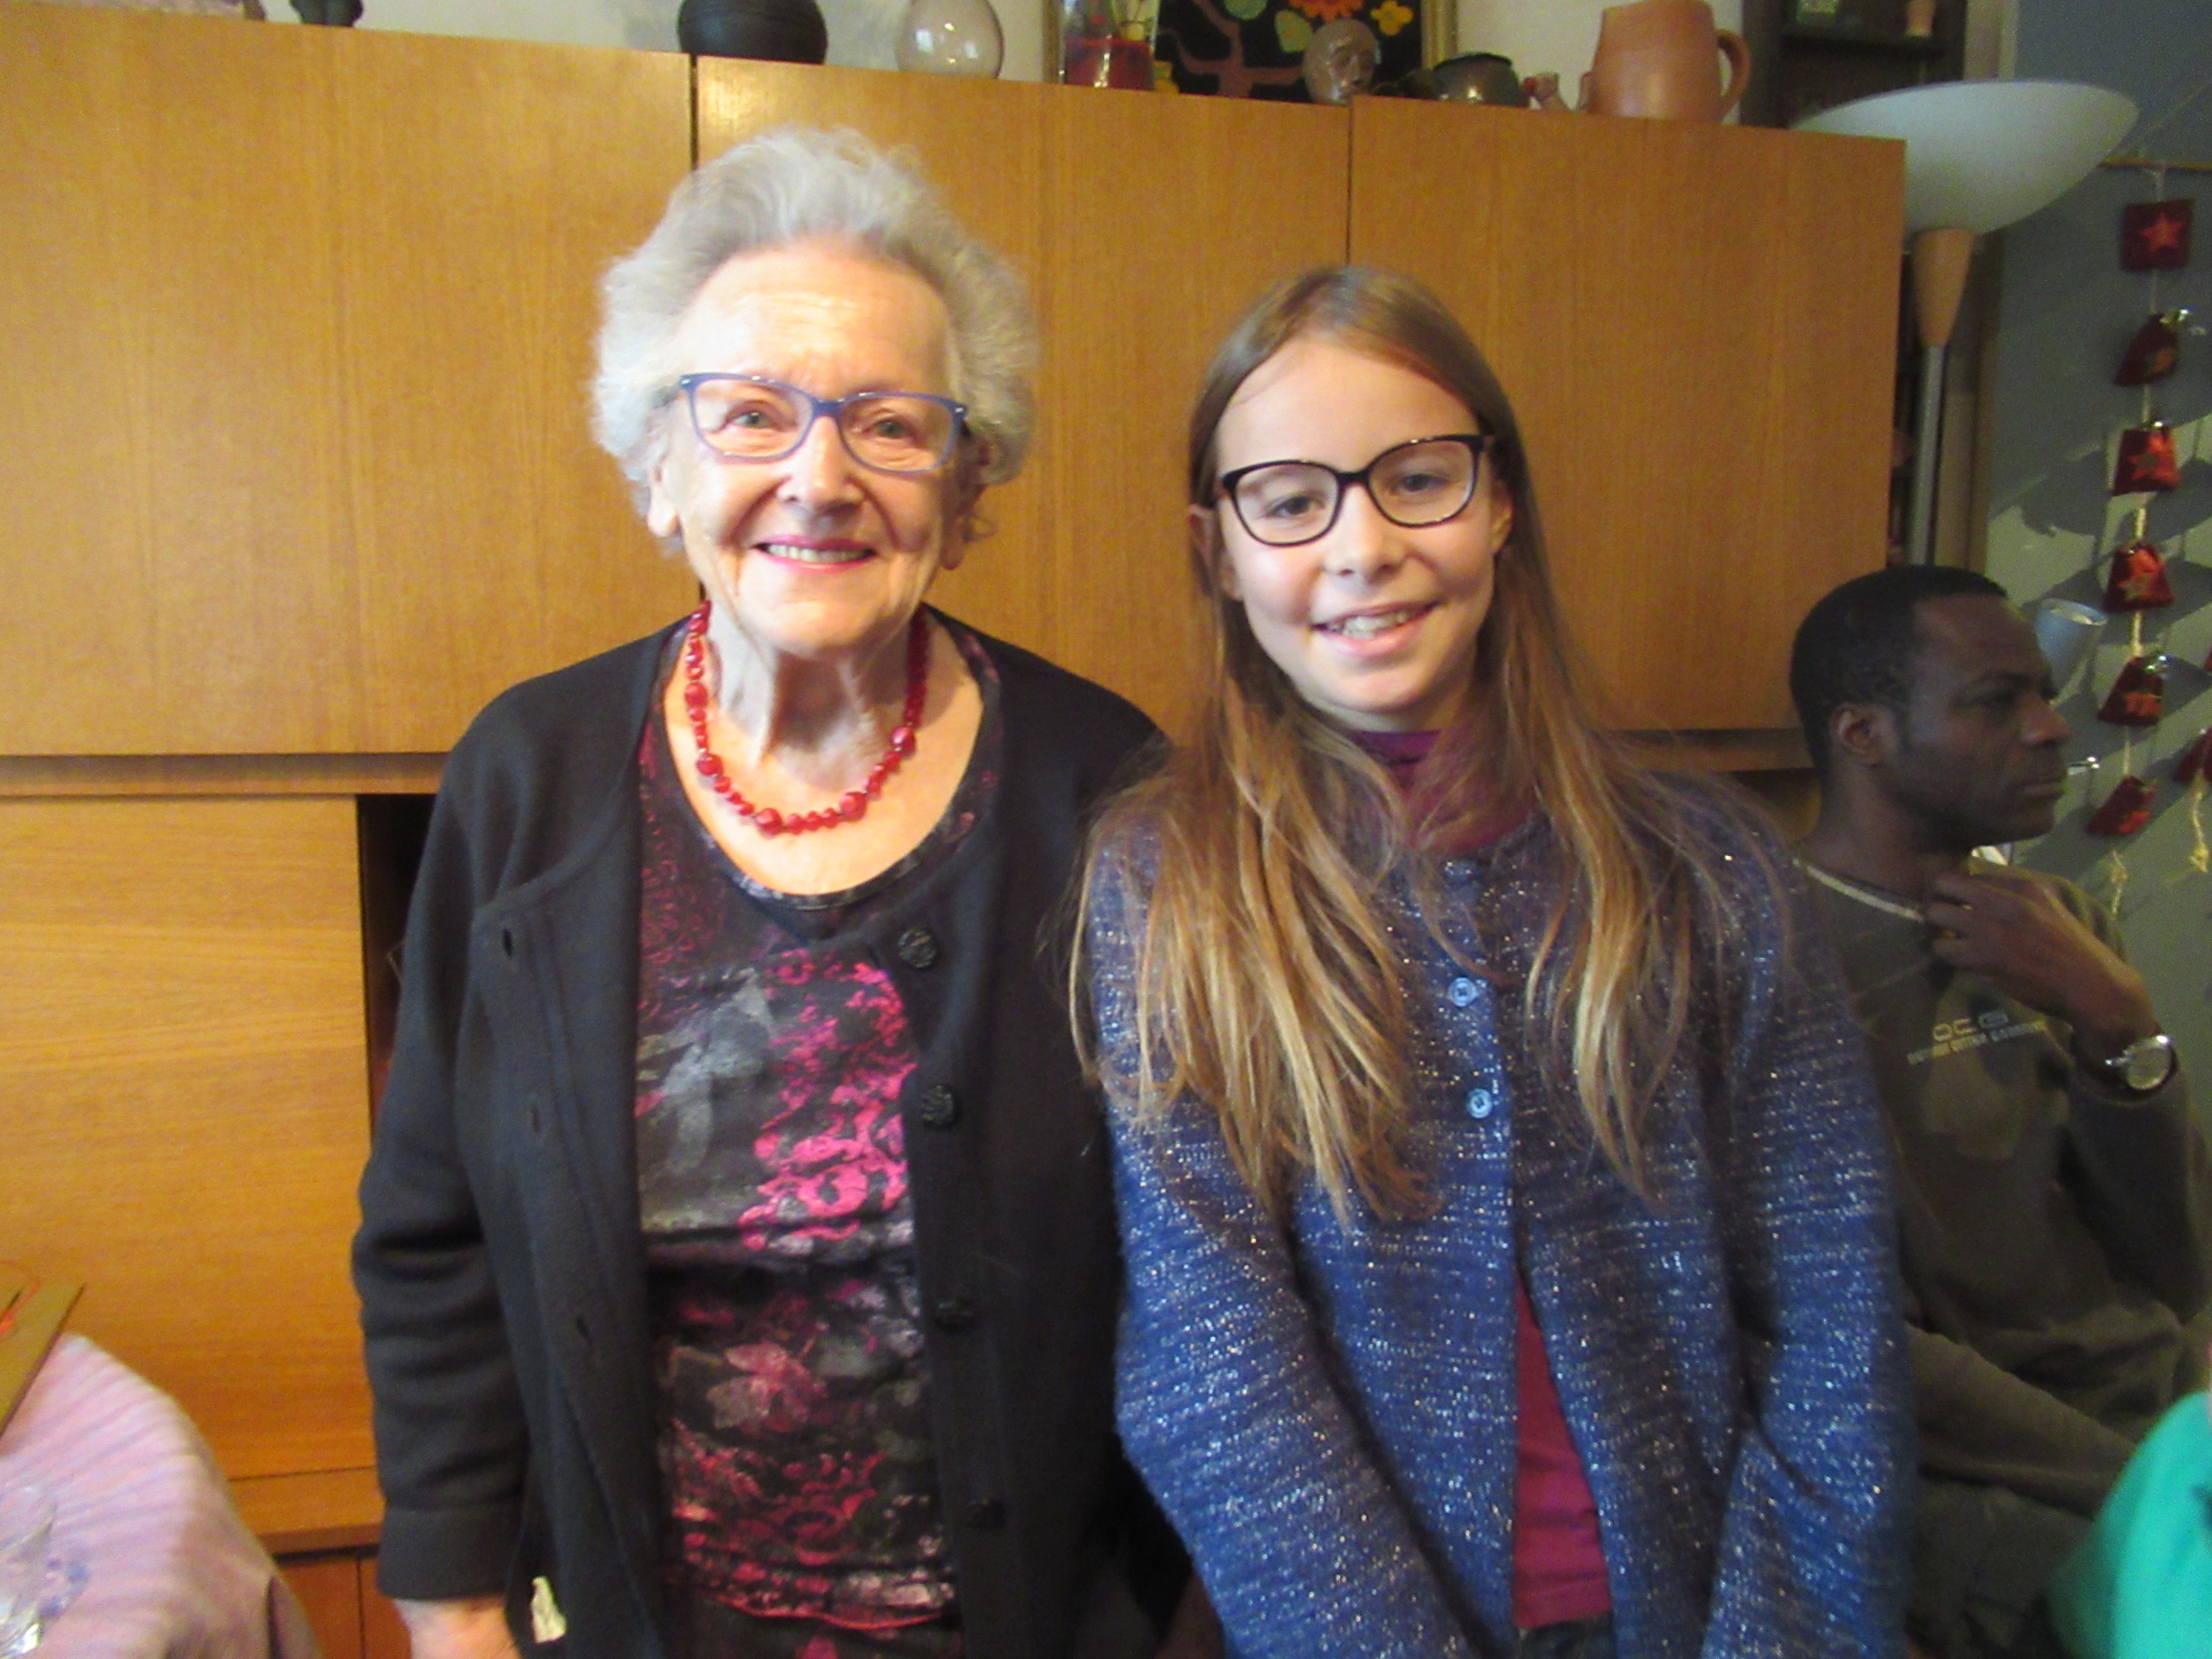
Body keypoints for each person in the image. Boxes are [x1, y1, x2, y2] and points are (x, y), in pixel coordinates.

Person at [353, 127, 1179, 1659]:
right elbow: (433, 1228)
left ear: (967, 485)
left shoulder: (1108, 787)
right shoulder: (525, 777)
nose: (820, 476)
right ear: (657, 472)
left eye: (890, 424)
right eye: (749, 415)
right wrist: (453, 1606)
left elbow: (1211, 1271)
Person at [1078, 266, 1914, 1659]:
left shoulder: (1703, 866)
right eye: (1289, 501)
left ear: (1502, 501)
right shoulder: (1167, 884)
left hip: (1706, 1606)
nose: (1361, 548)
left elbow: (1835, 1307)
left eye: (1418, 479)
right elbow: (1212, 1361)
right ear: (1216, 550)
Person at [1789, 565, 2212, 1659]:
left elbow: (2177, 1266)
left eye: (2045, 696)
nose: (2049, 730)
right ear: (1863, 734)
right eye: (1996, 701)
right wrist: (2146, 1489)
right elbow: (1860, 1348)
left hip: (2159, 1417)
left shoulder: (2058, 924)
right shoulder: (1776, 963)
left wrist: (2117, 1024)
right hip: (1990, 1477)